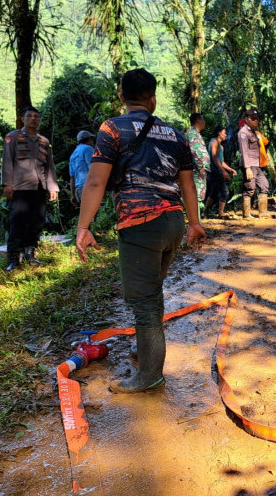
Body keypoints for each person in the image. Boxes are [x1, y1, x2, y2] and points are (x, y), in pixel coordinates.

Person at [76, 68, 205, 394]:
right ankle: (147, 350)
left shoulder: (112, 128)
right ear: (153, 98)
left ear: (122, 96)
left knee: (145, 302)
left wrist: (84, 226)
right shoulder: (175, 134)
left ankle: (150, 374)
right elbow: (187, 184)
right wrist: (195, 224)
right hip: (173, 221)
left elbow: (96, 181)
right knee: (152, 291)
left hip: (140, 223)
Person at [1, 106, 59, 272]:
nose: (33, 119)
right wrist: (7, 184)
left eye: (36, 116)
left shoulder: (44, 142)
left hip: (39, 188)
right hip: (19, 187)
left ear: (39, 120)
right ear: (22, 119)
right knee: (17, 222)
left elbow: (49, 166)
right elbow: (7, 160)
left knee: (37, 222)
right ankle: (14, 258)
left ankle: (30, 254)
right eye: (29, 116)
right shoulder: (13, 137)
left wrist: (52, 187)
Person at [238, 108, 270, 219]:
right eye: (253, 119)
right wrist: (247, 168)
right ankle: (246, 214)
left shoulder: (254, 133)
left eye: (257, 119)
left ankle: (263, 212)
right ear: (247, 119)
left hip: (257, 164)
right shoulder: (243, 133)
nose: (256, 121)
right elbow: (244, 151)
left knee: (264, 185)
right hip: (249, 165)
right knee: (249, 188)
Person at [204, 125, 236, 218]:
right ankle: (220, 213)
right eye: (224, 133)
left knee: (214, 193)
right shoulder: (215, 142)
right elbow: (214, 157)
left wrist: (230, 169)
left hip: (217, 171)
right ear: (219, 133)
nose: (226, 135)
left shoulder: (220, 145)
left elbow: (221, 161)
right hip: (215, 171)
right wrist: (223, 171)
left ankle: (205, 212)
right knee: (224, 192)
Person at [186, 113, 211, 203]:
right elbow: (194, 150)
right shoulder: (193, 133)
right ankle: (195, 216)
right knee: (196, 195)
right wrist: (200, 166)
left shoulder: (196, 133)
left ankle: (197, 216)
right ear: (198, 120)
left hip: (200, 170)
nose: (204, 122)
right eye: (203, 120)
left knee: (199, 195)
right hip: (197, 170)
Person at [69, 130, 95, 206]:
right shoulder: (88, 149)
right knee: (92, 215)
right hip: (88, 187)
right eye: (91, 139)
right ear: (89, 139)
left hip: (78, 189)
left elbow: (72, 177)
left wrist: (73, 195)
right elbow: (93, 169)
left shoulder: (73, 154)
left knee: (86, 215)